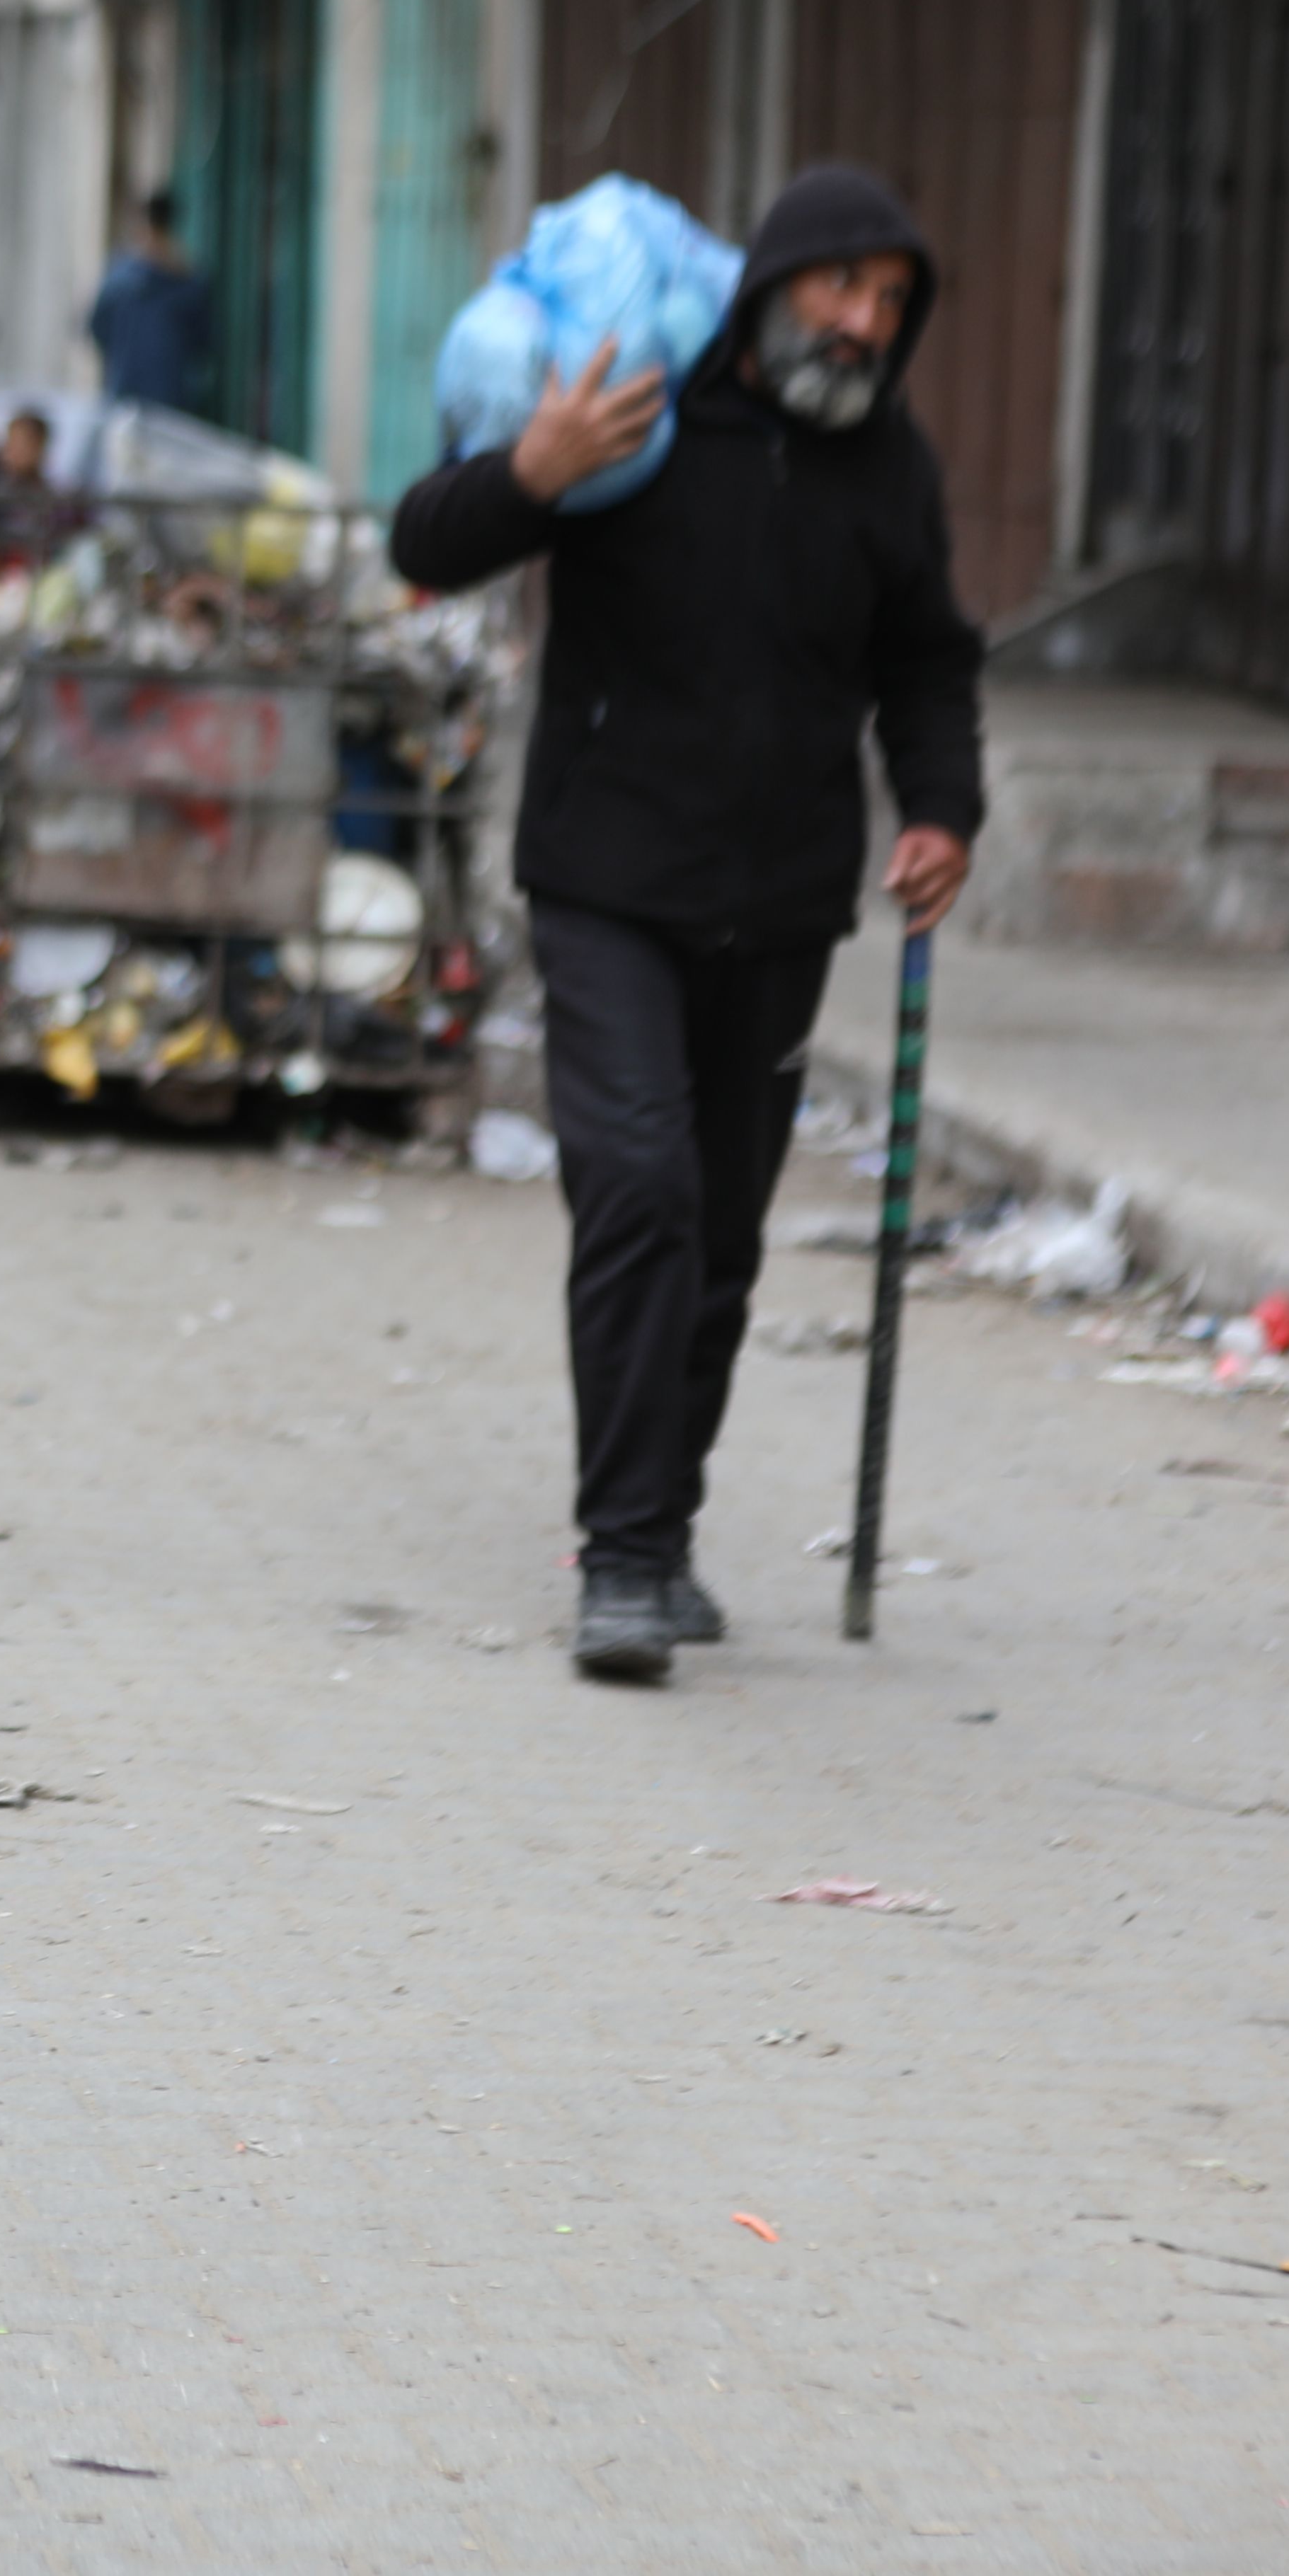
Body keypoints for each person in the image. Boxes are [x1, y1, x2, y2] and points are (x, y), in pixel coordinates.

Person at [387, 163, 985, 1687]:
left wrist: (940, 807)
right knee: (640, 1187)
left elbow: (927, 654)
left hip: (783, 899)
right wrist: (533, 466)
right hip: (608, 877)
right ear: (771, 285)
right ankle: (628, 1555)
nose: (859, 324)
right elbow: (426, 545)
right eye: (837, 288)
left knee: (719, 1231)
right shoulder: (637, 412)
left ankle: (667, 1517)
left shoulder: (890, 465)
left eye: (888, 303)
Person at [88, 188, 216, 413]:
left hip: (136, 396)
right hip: (161, 400)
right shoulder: (187, 282)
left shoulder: (121, 278)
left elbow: (98, 328)